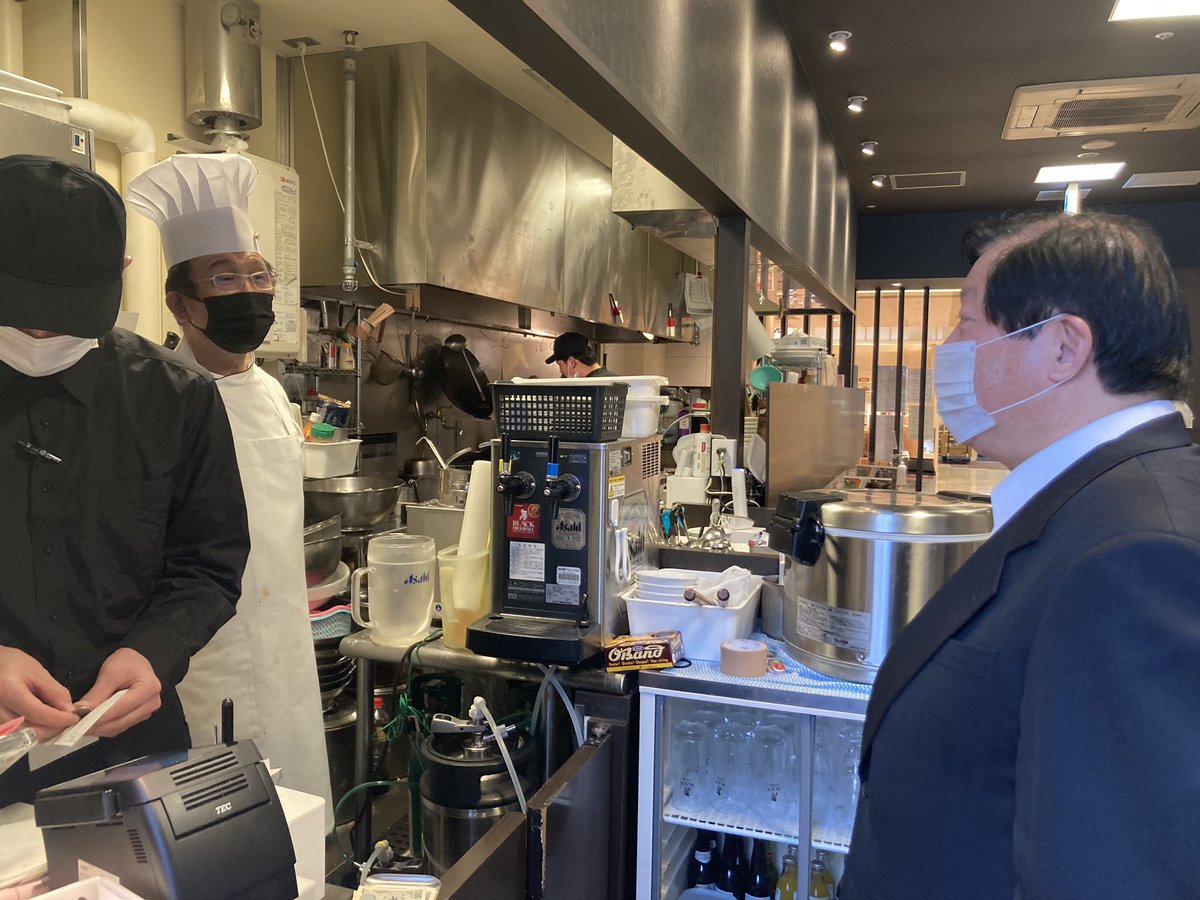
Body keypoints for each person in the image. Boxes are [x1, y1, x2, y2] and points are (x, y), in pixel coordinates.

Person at [840, 211, 1200, 899]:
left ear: (1063, 348)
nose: (950, 347)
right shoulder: (1089, 502)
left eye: (968, 322)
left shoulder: (1140, 554)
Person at [0, 154, 250, 804]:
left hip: (128, 747)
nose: (39, 332)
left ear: (121, 273)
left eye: (63, 313)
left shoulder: (175, 397)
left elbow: (208, 563)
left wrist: (152, 651)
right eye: (18, 310)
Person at [128, 153, 332, 821]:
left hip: (287, 645)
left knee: (298, 822)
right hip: (207, 659)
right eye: (223, 277)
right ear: (179, 304)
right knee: (224, 830)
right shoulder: (159, 400)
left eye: (257, 274)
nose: (247, 292)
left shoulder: (272, 391)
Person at [545, 331, 615, 377]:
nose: (561, 371)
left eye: (560, 365)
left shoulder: (589, 388)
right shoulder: (615, 380)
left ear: (571, 363)